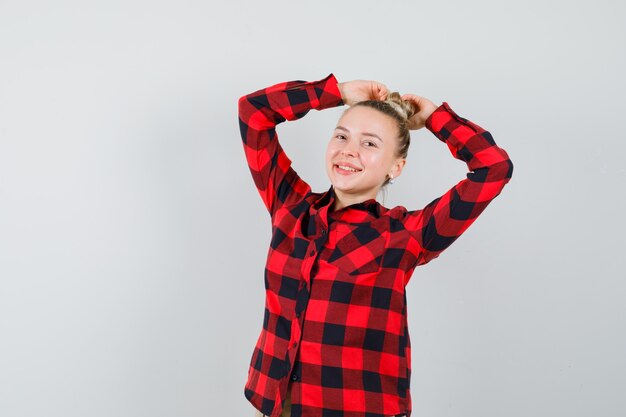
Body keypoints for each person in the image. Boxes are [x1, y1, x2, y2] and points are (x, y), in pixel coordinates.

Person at [237, 73, 513, 417]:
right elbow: (253, 112)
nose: (348, 150)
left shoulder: (407, 234)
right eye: (341, 136)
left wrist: (433, 117)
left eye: (369, 143)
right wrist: (334, 93)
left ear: (396, 166)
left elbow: (494, 168)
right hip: (275, 403)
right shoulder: (289, 207)